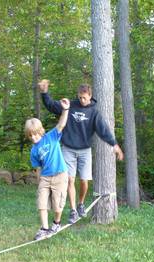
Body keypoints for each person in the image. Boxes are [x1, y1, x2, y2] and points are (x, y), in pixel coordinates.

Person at [38, 79, 124, 224]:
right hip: (68, 149)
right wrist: (44, 92)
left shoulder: (94, 113)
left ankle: (80, 203)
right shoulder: (69, 106)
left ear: (90, 96)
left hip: (85, 150)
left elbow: (103, 130)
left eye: (84, 97)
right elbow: (52, 106)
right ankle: (72, 210)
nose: (82, 100)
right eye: (79, 97)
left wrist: (114, 144)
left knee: (84, 181)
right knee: (70, 179)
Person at [25, 97, 70, 240]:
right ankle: (44, 228)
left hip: (60, 175)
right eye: (30, 135)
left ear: (41, 131)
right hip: (45, 177)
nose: (33, 137)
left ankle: (56, 222)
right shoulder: (33, 150)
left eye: (35, 134)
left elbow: (62, 124)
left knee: (57, 205)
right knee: (42, 202)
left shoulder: (51, 136)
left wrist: (66, 109)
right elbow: (37, 168)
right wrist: (39, 182)